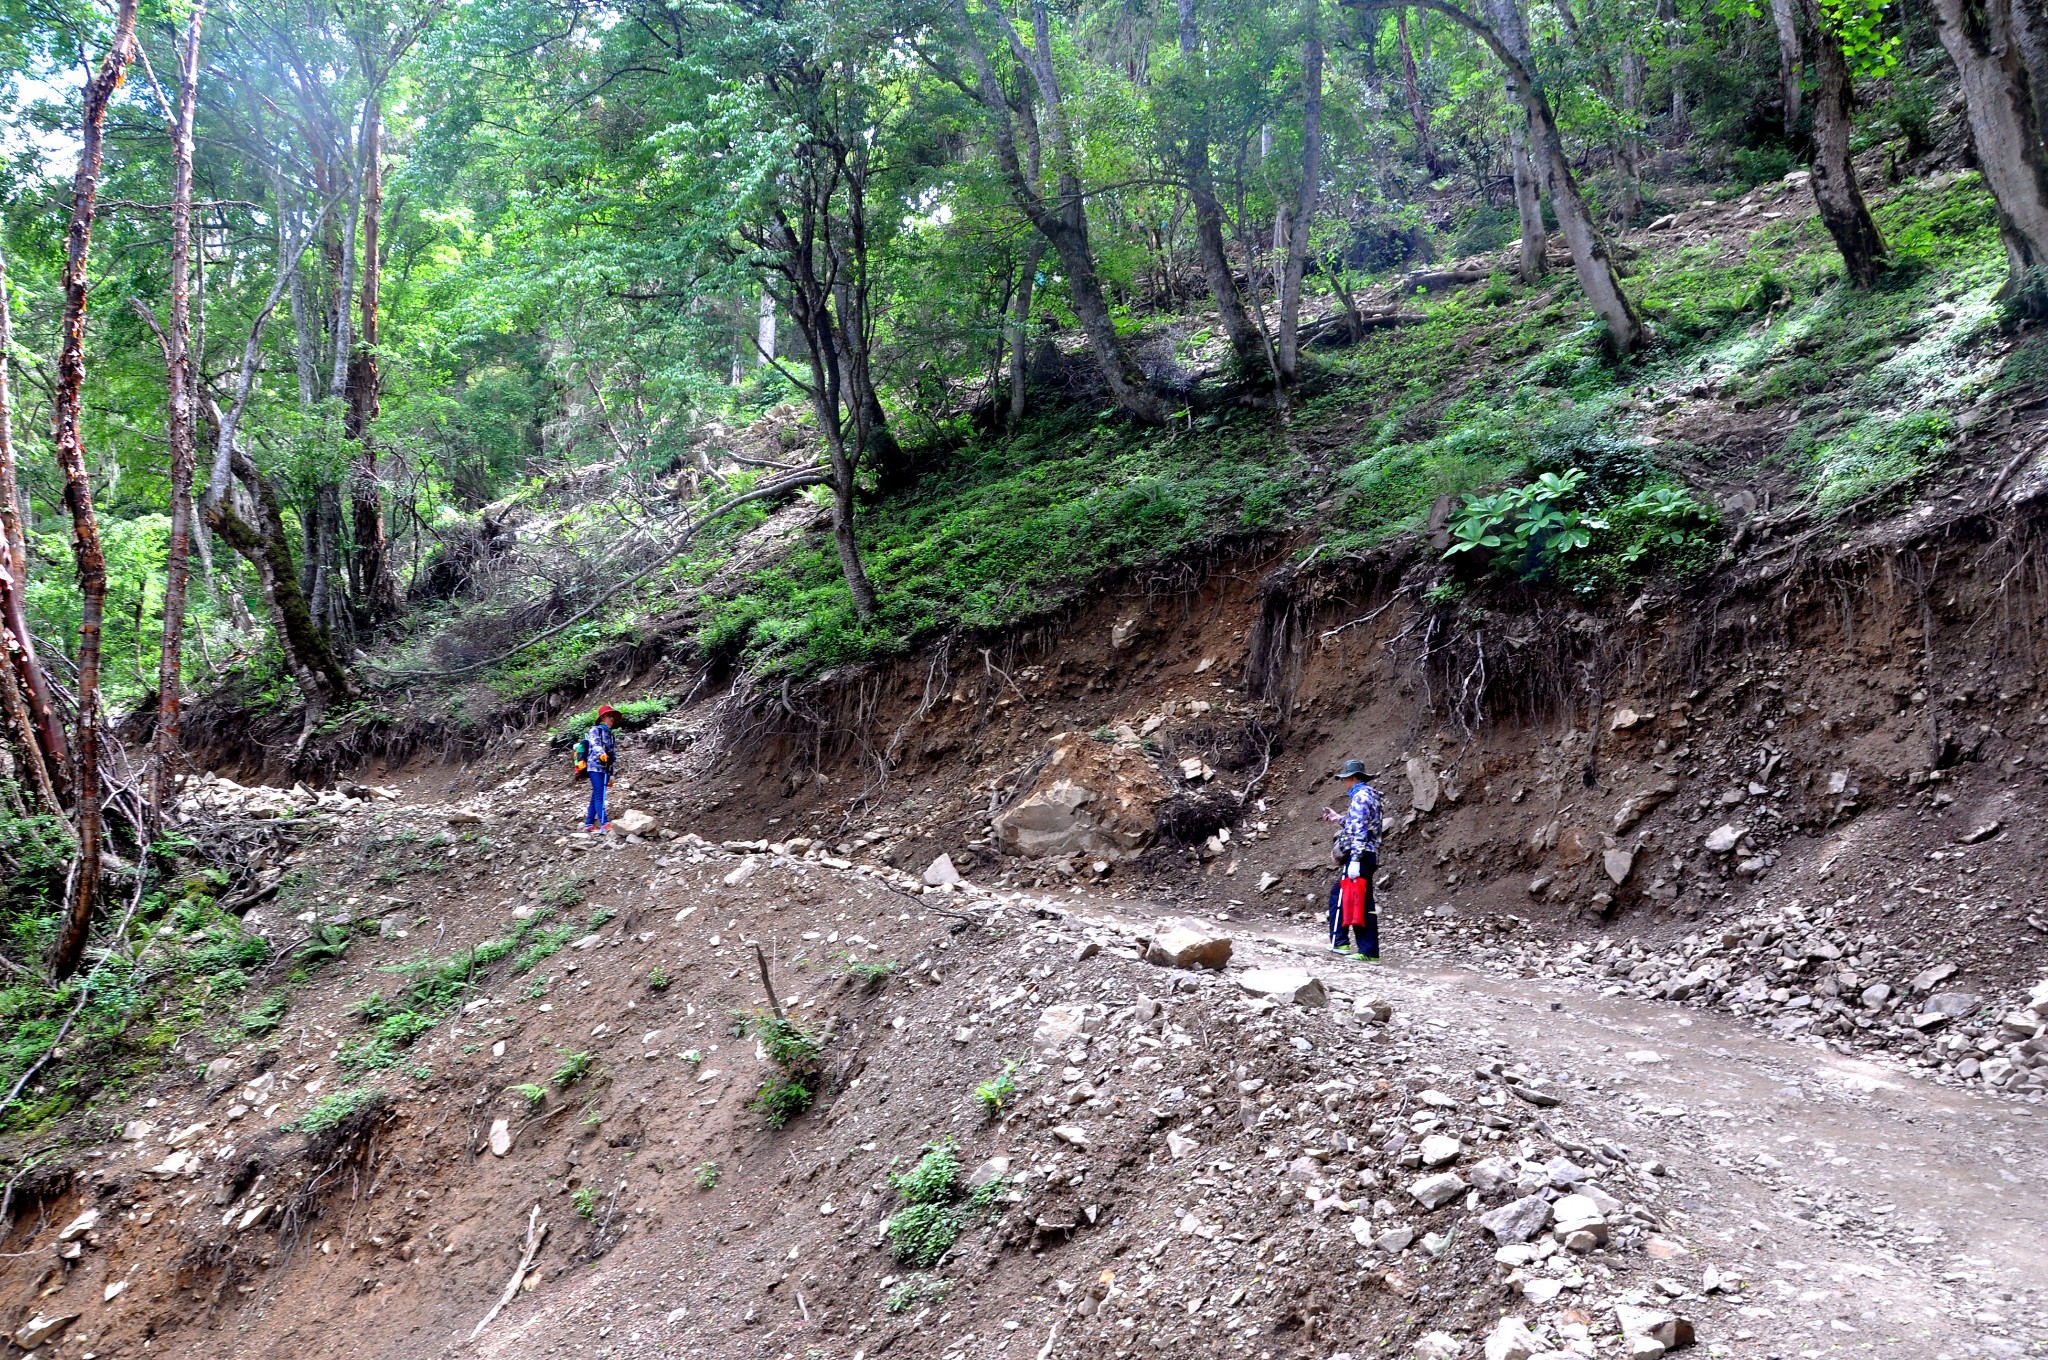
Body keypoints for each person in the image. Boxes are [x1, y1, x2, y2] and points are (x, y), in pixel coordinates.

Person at [1320, 758, 1382, 958]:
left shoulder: (1360, 797)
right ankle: (1369, 951)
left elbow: (1359, 832)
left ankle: (1340, 943)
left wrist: (1354, 859)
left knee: (1340, 897)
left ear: (1353, 778)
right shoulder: (1371, 796)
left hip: (1360, 855)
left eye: (1345, 779)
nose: (1344, 783)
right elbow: (1359, 824)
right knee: (1364, 902)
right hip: (1370, 854)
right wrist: (1338, 819)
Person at [581, 705, 620, 834]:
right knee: (599, 796)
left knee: (596, 795)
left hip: (605, 769)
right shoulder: (595, 730)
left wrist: (612, 774)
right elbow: (595, 744)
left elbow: (613, 755)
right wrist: (601, 753)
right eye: (610, 716)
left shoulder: (611, 735)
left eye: (613, 717)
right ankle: (605, 823)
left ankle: (589, 824)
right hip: (594, 766)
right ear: (603, 718)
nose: (612, 719)